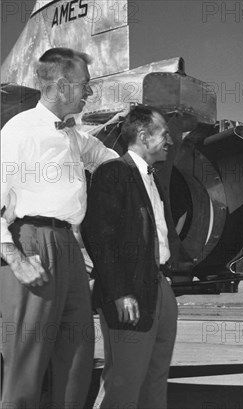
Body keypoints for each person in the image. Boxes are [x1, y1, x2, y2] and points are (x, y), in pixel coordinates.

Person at [0, 47, 118, 408]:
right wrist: (16, 260)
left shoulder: (72, 135)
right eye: (86, 85)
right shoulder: (20, 130)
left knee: (78, 356)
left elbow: (106, 157)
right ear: (63, 86)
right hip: (31, 242)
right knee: (26, 362)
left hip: (68, 245)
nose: (90, 93)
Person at [82, 105, 179, 408]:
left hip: (160, 286)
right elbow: (99, 237)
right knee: (123, 384)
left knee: (156, 380)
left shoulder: (152, 178)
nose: (170, 141)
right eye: (165, 134)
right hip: (129, 291)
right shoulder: (114, 173)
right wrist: (120, 291)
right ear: (142, 135)